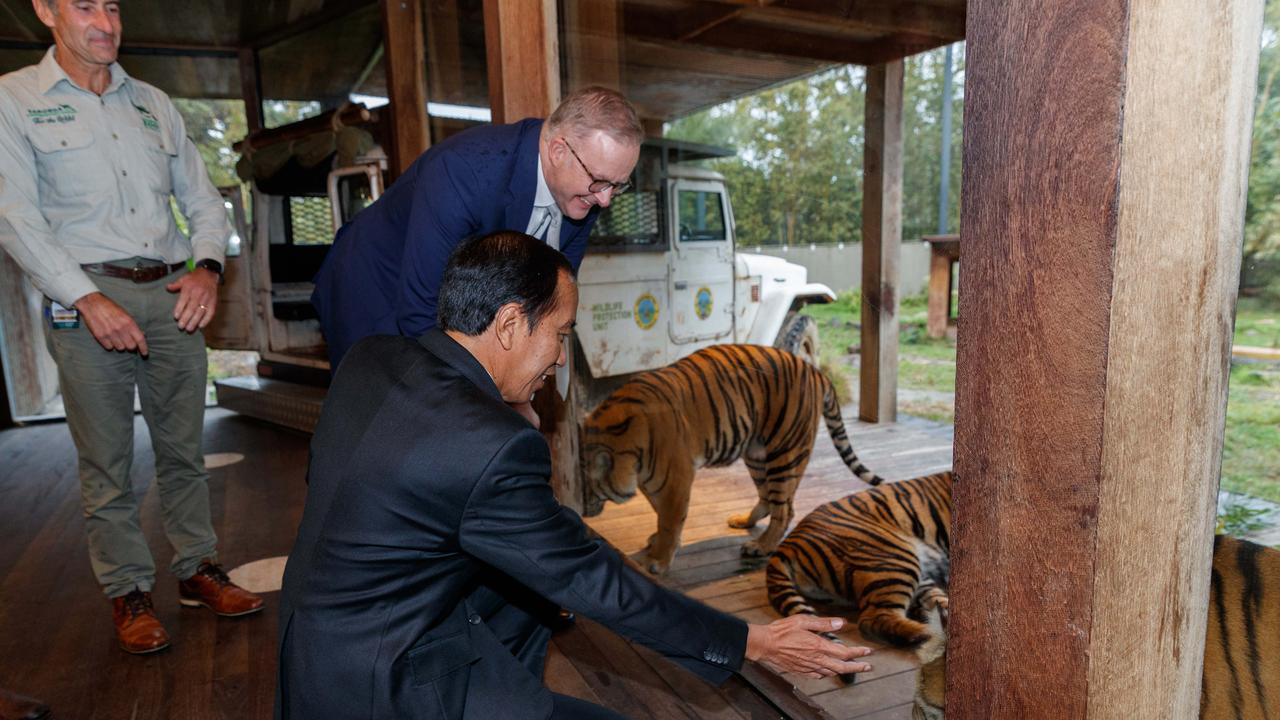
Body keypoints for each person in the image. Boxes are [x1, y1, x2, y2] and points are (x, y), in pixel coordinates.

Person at [276, 232, 872, 719]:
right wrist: (753, 642)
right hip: (387, 683)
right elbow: (593, 578)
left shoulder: (370, 359)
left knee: (531, 594)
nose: (561, 358)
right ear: (510, 324)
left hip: (310, 646)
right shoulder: (490, 444)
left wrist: (494, 408)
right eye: (559, 335)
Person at [0, 0, 262, 655]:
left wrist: (207, 268)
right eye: (85, 4)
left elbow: (203, 199)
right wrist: (87, 299)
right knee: (106, 466)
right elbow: (16, 219)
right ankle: (128, 593)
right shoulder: (15, 99)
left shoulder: (153, 102)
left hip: (173, 289)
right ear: (45, 10)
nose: (105, 21)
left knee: (184, 452)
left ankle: (197, 569)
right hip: (86, 295)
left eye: (113, 5)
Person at [310, 86, 642, 370]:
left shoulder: (588, 190)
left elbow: (551, 304)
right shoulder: (464, 172)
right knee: (386, 424)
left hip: (444, 302)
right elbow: (420, 312)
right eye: (601, 182)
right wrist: (494, 403)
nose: (606, 200)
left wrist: (523, 387)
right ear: (558, 150)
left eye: (617, 185)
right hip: (374, 289)